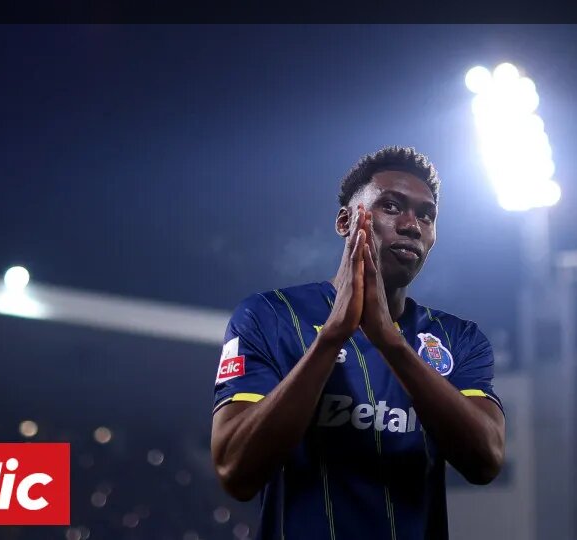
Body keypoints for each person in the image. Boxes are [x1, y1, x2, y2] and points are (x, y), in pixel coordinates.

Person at [210, 146, 506, 539]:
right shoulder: (269, 317)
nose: (412, 225)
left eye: (426, 215)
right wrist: (332, 337)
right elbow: (235, 470)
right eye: (391, 206)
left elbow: (486, 461)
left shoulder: (458, 339)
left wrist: (390, 342)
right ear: (345, 221)